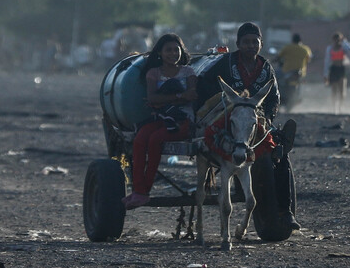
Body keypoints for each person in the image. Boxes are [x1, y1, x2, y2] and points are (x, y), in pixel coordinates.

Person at [196, 22, 299, 230]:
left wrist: (268, 118)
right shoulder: (225, 63)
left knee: (280, 154)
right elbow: (204, 83)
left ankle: (285, 211)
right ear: (238, 44)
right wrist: (219, 102)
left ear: (261, 44)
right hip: (228, 118)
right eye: (246, 42)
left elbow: (274, 98)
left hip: (256, 119)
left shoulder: (266, 67)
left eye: (255, 42)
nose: (251, 46)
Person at [122, 33, 198, 210]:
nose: (173, 53)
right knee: (140, 138)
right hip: (163, 119)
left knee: (155, 139)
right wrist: (179, 96)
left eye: (176, 50)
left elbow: (191, 96)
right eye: (168, 50)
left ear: (181, 52)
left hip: (183, 121)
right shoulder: (153, 73)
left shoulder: (189, 72)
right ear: (160, 53)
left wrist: (163, 99)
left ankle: (144, 192)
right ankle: (138, 190)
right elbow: (152, 98)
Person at [323, 32, 350, 115]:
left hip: (341, 70)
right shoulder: (330, 48)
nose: (337, 41)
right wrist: (325, 74)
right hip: (333, 69)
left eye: (339, 39)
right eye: (335, 39)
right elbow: (327, 61)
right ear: (333, 40)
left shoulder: (344, 48)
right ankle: (333, 108)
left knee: (342, 91)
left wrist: (345, 41)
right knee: (334, 91)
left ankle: (340, 107)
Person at [276, 33, 312, 109]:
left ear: (292, 40)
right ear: (301, 40)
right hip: (300, 73)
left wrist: (275, 60)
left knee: (276, 80)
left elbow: (278, 57)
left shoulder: (287, 48)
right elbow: (309, 60)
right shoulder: (305, 49)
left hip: (286, 72)